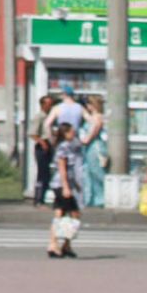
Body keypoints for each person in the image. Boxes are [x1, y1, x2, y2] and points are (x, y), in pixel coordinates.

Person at [47, 123, 84, 259]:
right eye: (71, 131)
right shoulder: (63, 147)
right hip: (61, 185)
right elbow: (62, 168)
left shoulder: (69, 146)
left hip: (64, 184)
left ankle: (62, 245)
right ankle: (56, 244)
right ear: (66, 133)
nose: (74, 133)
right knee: (74, 214)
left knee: (60, 213)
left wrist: (75, 185)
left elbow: (70, 170)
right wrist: (66, 187)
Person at [79, 95, 107, 208]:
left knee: (97, 172)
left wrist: (84, 140)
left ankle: (101, 198)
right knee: (89, 173)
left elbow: (92, 133)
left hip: (94, 147)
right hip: (89, 147)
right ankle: (94, 198)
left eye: (88, 104)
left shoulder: (97, 117)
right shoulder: (93, 116)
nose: (87, 106)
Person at [30, 94, 56, 206]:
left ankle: (44, 198)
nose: (50, 106)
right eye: (48, 104)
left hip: (49, 146)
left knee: (47, 174)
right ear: (43, 105)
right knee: (42, 174)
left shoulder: (50, 116)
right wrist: (42, 142)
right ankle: (38, 199)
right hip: (42, 147)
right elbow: (33, 133)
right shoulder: (39, 116)